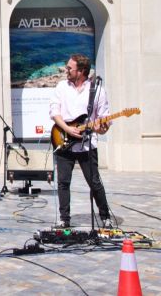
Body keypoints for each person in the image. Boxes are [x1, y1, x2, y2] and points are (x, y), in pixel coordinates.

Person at [49, 54, 113, 229]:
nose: (66, 70)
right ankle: (64, 219)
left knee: (94, 182)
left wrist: (101, 128)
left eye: (70, 68)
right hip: (63, 140)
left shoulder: (97, 90)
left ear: (82, 71)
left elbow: (104, 120)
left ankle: (105, 217)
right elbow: (54, 111)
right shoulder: (62, 87)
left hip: (87, 145)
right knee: (63, 182)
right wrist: (67, 128)